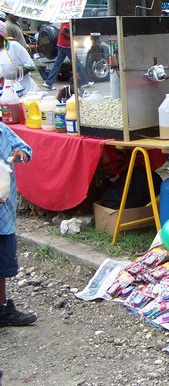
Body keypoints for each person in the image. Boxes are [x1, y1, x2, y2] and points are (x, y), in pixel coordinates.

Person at [0, 123, 36, 328]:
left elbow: (25, 149)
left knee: (3, 265)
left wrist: (20, 153)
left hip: (4, 218)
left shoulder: (3, 132)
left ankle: (2, 309)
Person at [42, 21, 92, 91]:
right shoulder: (68, 21)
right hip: (66, 45)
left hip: (61, 44)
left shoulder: (65, 19)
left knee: (57, 64)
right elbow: (63, 31)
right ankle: (85, 81)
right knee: (77, 63)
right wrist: (72, 38)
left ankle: (48, 82)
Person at [0, 22, 38, 96]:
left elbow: (31, 66)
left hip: (26, 91)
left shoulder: (14, 46)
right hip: (7, 93)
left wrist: (15, 75)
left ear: (1, 36)